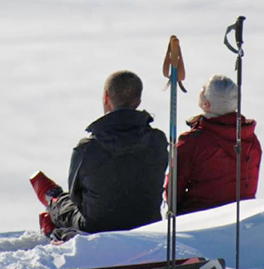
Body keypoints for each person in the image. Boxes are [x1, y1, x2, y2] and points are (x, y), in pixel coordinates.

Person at [30, 70, 169, 241]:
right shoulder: (159, 140)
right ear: (138, 101)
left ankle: (52, 202)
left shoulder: (87, 148)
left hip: (97, 227)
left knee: (66, 205)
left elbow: (76, 197)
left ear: (105, 97)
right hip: (147, 223)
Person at [168, 74, 262, 215]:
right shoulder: (250, 139)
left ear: (206, 104)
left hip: (198, 219)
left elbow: (173, 190)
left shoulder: (193, 142)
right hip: (241, 219)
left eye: (202, 89)